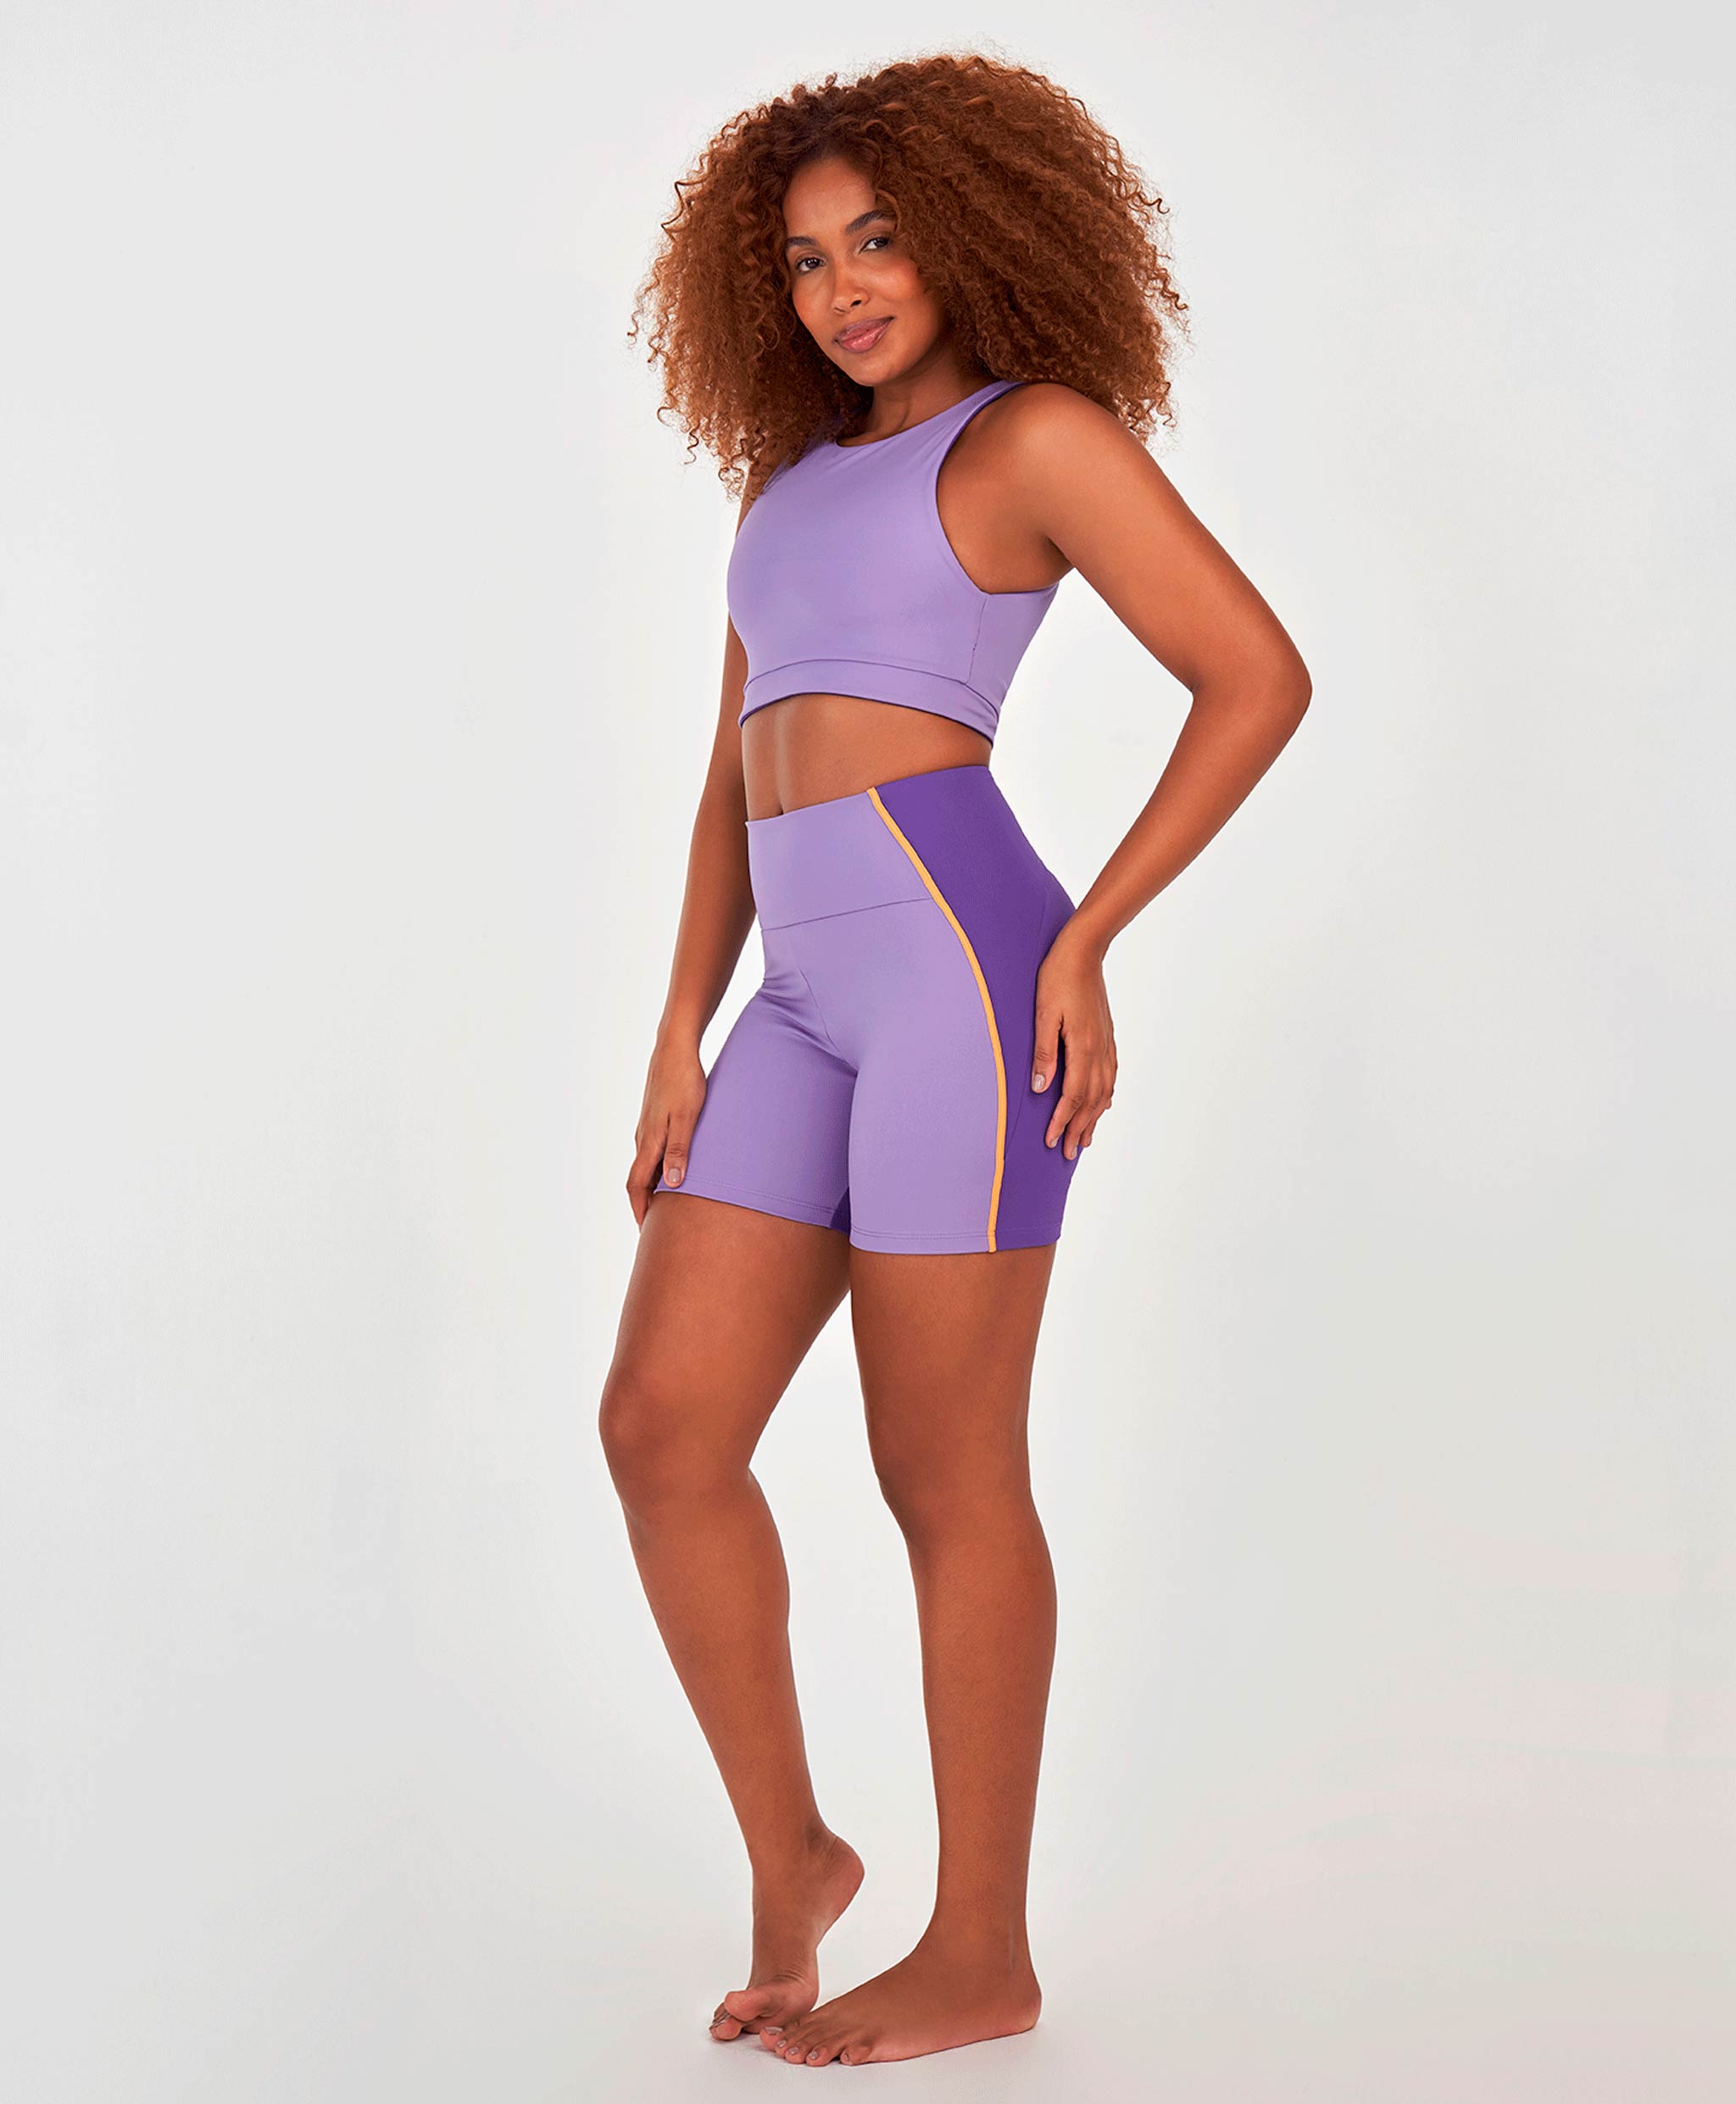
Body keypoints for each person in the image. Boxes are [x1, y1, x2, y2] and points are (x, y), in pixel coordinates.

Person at [600, 51, 1310, 2069]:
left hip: (959, 981)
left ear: (973, 230)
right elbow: (732, 778)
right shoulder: (781, 487)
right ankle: (797, 1853)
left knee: (942, 1468)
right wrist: (677, 1025)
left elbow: (1255, 676)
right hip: (793, 999)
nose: (845, 288)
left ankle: (981, 1945)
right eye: (805, 258)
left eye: (881, 239)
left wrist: (1088, 933)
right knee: (661, 1426)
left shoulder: (1034, 440)